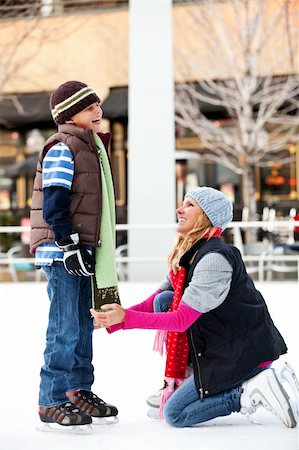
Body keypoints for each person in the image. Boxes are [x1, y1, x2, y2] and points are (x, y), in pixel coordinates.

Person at [91, 186, 298, 429]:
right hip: (221, 342)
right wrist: (113, 318)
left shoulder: (213, 260)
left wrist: (126, 319)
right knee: (164, 301)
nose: (179, 209)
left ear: (207, 217)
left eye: (190, 205)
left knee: (175, 414)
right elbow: (156, 301)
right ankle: (186, 378)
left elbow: (181, 320)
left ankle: (247, 392)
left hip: (243, 354)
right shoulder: (188, 254)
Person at [30, 80, 119, 430]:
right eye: (88, 108)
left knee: (83, 325)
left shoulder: (90, 146)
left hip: (82, 249)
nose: (98, 111)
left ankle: (78, 389)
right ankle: (51, 399)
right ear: (70, 116)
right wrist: (68, 245)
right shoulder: (62, 148)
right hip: (62, 251)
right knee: (64, 327)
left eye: (97, 105)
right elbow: (54, 203)